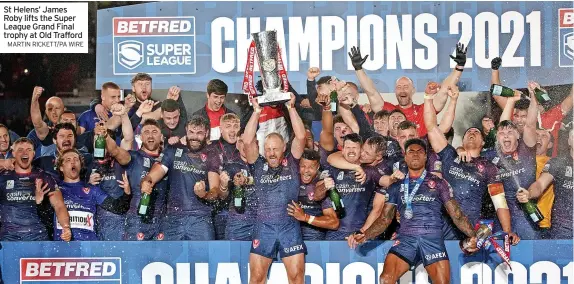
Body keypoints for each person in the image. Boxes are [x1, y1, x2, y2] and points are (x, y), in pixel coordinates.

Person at [348, 138, 478, 284]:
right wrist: (365, 235)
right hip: (406, 240)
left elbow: (457, 215)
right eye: (411, 151)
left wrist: (473, 236)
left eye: (419, 151)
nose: (415, 155)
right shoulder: (395, 186)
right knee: (386, 279)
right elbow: (384, 219)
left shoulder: (439, 183)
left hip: (432, 240)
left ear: (425, 157)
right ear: (405, 157)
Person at [423, 86, 519, 244]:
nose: (472, 133)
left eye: (476, 132)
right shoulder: (449, 155)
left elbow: (499, 201)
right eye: (468, 132)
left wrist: (507, 231)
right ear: (462, 141)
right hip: (439, 227)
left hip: (466, 231)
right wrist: (431, 98)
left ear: (483, 142)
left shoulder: (489, 167)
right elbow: (432, 128)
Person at [242, 93, 306, 284]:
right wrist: (256, 112)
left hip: (289, 227)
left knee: (296, 279)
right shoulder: (257, 163)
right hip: (264, 228)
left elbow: (301, 136)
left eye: (275, 149)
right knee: (256, 279)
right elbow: (247, 141)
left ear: (283, 147)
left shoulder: (292, 162)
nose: (271, 153)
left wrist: (291, 108)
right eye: (268, 149)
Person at [348, 43, 467, 136]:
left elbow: (444, 91)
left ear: (413, 90)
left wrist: (459, 67)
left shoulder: (424, 110)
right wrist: (358, 68)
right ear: (395, 91)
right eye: (399, 87)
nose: (402, 90)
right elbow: (371, 92)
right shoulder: (389, 110)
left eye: (406, 87)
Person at [140, 115, 224, 240]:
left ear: (206, 133)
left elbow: (215, 190)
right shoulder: (173, 150)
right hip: (173, 218)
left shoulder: (212, 154)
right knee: (168, 258)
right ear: (186, 131)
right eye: (191, 132)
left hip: (200, 218)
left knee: (204, 258)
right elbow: (153, 175)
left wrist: (204, 194)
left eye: (199, 133)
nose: (195, 137)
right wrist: (146, 182)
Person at [486, 89, 539, 239]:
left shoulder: (527, 148)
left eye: (510, 132)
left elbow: (530, 125)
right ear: (497, 138)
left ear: (517, 135)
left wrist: (534, 99)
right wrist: (463, 150)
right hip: (502, 216)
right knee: (502, 260)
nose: (506, 135)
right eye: (502, 134)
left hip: (527, 216)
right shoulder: (491, 156)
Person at [104, 119, 168, 241]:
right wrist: (105, 137)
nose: (150, 135)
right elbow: (115, 151)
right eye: (146, 132)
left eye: (154, 132)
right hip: (137, 220)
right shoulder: (134, 157)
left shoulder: (168, 160)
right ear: (141, 137)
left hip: (162, 221)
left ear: (161, 137)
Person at [0, 138, 71, 241]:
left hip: (37, 236)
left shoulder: (43, 177)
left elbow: (59, 205)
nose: (25, 152)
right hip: (8, 237)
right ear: (13, 154)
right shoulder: (3, 177)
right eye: (20, 150)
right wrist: (3, 162)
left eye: (28, 149)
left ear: (33, 154)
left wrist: (66, 227)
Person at [320, 133, 388, 240]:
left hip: (362, 231)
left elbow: (378, 209)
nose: (363, 154)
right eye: (347, 147)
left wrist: (362, 232)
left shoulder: (374, 171)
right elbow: (331, 158)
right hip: (335, 232)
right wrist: (356, 167)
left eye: (366, 152)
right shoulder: (336, 166)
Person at [55, 148, 131, 241]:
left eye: (76, 159)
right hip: (62, 247)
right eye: (68, 160)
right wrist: (39, 204)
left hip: (88, 248)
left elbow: (119, 208)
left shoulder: (92, 190)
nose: (73, 162)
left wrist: (127, 193)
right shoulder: (55, 190)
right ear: (61, 167)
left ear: (81, 165)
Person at [517, 128, 574, 239]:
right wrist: (529, 193)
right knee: (560, 256)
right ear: (569, 141)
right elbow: (540, 185)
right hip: (563, 228)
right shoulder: (558, 162)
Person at [289, 149, 339, 240]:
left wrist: (305, 217)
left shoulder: (322, 185)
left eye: (311, 167)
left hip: (315, 242)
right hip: (290, 241)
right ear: (298, 166)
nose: (306, 170)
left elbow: (334, 223)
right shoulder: (289, 182)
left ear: (318, 167)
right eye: (303, 166)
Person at [209, 113, 242, 240]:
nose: (233, 130)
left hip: (242, 212)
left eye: (236, 126)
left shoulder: (245, 147)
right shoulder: (211, 148)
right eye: (228, 126)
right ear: (220, 129)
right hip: (219, 212)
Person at [223, 129, 258, 241]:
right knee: (234, 257)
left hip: (261, 222)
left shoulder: (264, 164)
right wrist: (230, 185)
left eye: (249, 141)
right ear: (237, 144)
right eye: (242, 141)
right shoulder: (230, 166)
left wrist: (247, 180)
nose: (245, 145)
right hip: (238, 222)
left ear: (256, 143)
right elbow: (223, 193)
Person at [27, 87, 65, 158]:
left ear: (64, 109)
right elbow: (37, 123)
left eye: (57, 108)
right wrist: (34, 100)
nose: (54, 112)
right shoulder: (42, 132)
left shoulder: (74, 128)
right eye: (50, 109)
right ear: (46, 112)